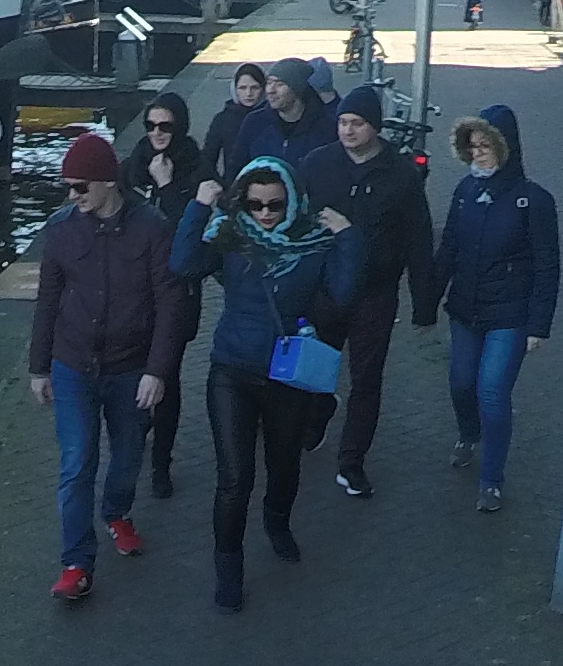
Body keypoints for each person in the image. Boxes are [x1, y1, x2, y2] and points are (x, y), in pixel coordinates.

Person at [170, 153, 361, 611]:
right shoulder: (231, 235)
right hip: (231, 371)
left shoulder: (312, 243)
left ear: (292, 201)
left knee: (284, 466)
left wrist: (348, 237)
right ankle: (228, 568)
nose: (265, 214)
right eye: (255, 204)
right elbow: (182, 264)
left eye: (275, 204)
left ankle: (277, 523)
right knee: (234, 478)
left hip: (285, 375)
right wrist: (198, 208)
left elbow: (343, 294)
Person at [26, 133, 191, 604]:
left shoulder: (153, 228)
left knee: (128, 454)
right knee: (77, 462)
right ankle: (76, 563)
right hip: (73, 364)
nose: (72, 196)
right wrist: (39, 368)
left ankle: (117, 511)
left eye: (79, 187)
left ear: (107, 182)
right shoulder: (61, 230)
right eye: (67, 187)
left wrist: (157, 370)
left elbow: (170, 304)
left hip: (130, 366)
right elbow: (48, 301)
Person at [294, 86, 438, 499]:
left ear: (374, 127)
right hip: (326, 287)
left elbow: (418, 241)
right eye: (342, 122)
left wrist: (424, 307)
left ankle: (352, 462)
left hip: (375, 292)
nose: (347, 130)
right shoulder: (317, 164)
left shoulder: (401, 176)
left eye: (356, 123)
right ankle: (318, 413)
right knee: (315, 368)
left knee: (367, 378)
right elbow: (294, 217)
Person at [431, 107, 559, 514]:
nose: (478, 154)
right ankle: (469, 434)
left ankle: (491, 480)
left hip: (510, 316)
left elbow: (547, 266)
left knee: (491, 391)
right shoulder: (465, 192)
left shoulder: (533, 201)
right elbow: (449, 248)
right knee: (460, 383)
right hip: (466, 310)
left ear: (505, 148)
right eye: (472, 147)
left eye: (486, 146)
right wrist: (426, 302)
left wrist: (538, 325)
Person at [116, 94, 214, 498]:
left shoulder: (196, 168)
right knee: (136, 371)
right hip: (136, 291)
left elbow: (188, 230)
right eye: (151, 125)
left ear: (180, 127)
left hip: (176, 291)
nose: (157, 133)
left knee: (167, 377)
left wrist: (167, 186)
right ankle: (138, 434)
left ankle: (162, 463)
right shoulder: (132, 167)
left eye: (166, 126)